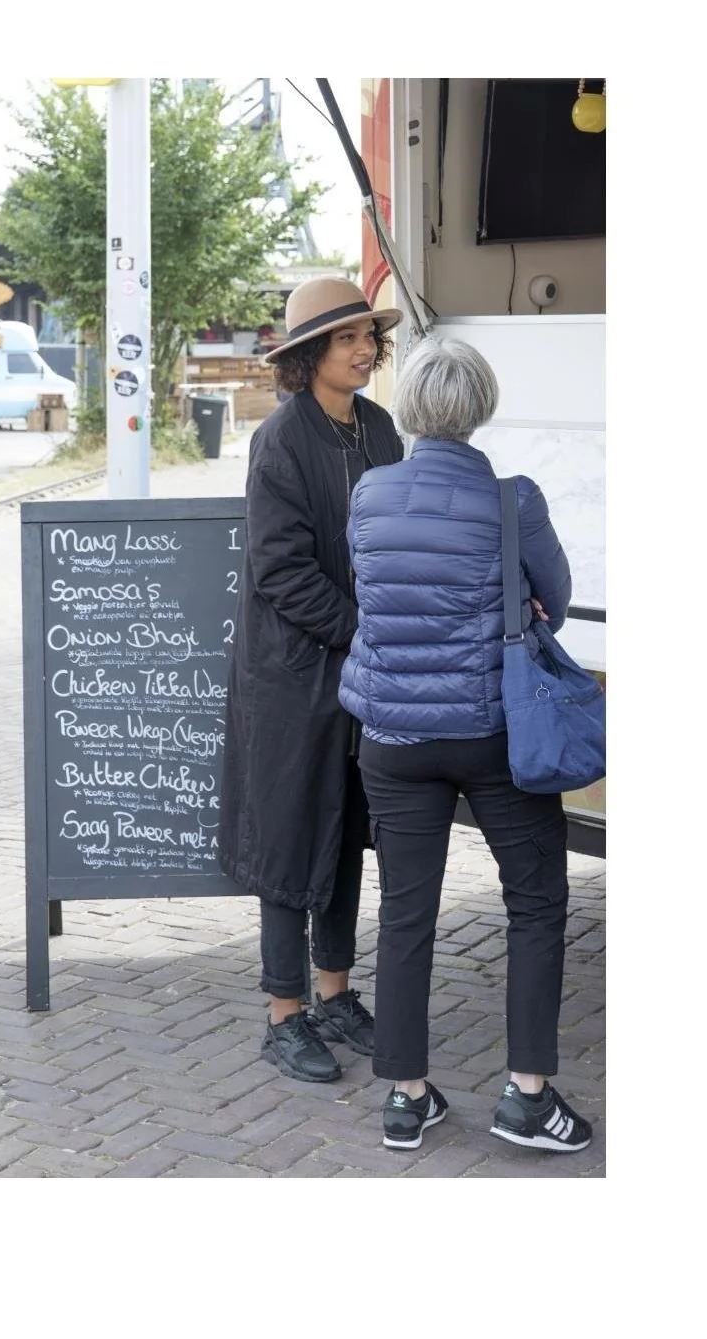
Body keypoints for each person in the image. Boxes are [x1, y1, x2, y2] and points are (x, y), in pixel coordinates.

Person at [339, 336, 594, 1153]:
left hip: (393, 736)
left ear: (411, 406)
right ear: (480, 406)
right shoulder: (513, 501)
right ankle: (528, 1099)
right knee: (536, 904)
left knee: (406, 911)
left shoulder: (370, 493)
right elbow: (556, 598)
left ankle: (406, 1098)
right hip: (493, 735)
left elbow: (374, 589)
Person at [218, 278, 405, 1082]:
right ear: (309, 355)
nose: (364, 350)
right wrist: (366, 631)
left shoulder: (379, 429)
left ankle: (334, 995)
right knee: (289, 839)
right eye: (346, 338)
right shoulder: (281, 439)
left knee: (347, 831)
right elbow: (281, 572)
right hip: (293, 678)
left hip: (363, 674)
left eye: (368, 336)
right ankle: (284, 1015)